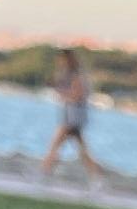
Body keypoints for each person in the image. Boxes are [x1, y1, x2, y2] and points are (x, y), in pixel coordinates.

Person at [41, 48, 102, 177]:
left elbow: (77, 95)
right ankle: (97, 175)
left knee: (56, 144)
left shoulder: (76, 75)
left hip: (73, 117)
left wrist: (61, 93)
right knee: (81, 149)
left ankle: (44, 172)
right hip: (72, 116)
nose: (59, 62)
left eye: (61, 60)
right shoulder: (70, 74)